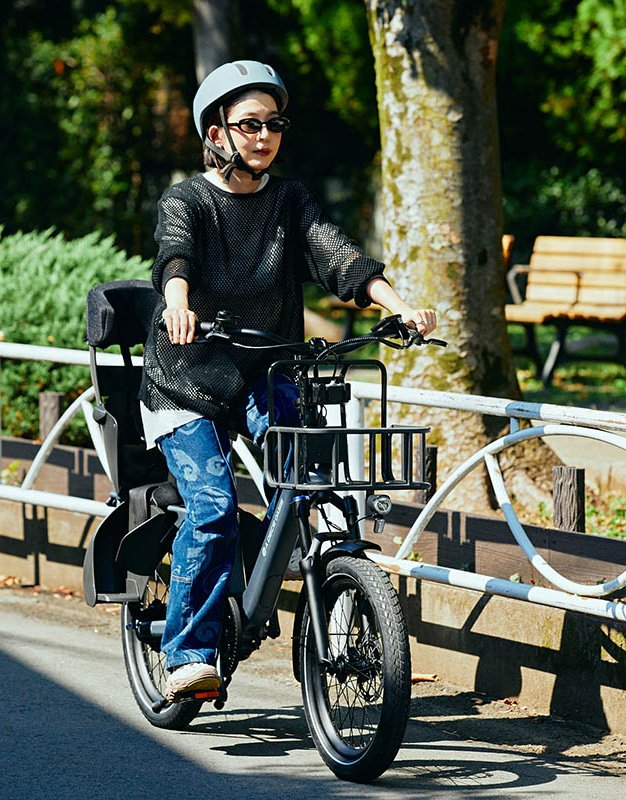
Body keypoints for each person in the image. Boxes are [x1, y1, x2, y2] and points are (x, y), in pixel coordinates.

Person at [139, 60, 437, 701]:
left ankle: (319, 591)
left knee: (319, 480)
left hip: (267, 368)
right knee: (214, 506)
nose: (265, 135)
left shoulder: (289, 199)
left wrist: (398, 305)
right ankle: (187, 653)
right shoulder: (186, 200)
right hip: (185, 375)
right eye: (250, 124)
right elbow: (175, 255)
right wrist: (177, 302)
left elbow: (337, 257)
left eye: (274, 124)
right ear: (216, 133)